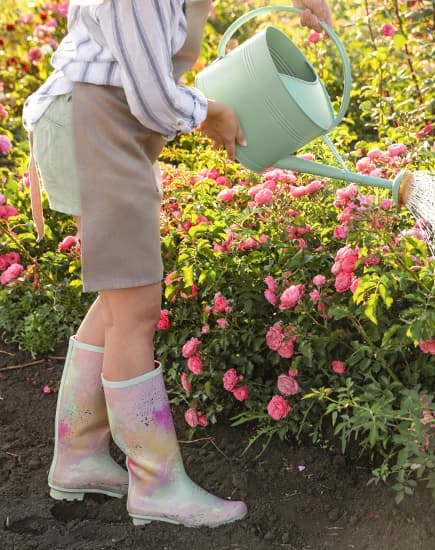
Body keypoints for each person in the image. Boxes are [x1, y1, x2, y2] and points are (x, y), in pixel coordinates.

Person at [22, 0, 333, 528]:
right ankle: (157, 486)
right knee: (136, 308)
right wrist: (211, 112)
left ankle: (79, 457)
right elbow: (152, 97)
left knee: (122, 299)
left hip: (111, 122)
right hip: (98, 121)